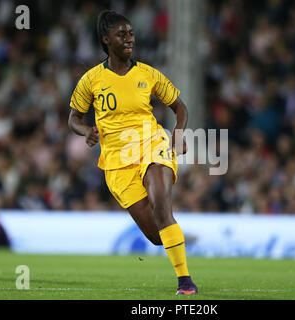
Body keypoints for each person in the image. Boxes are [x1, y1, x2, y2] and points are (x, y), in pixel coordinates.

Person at [68, 10, 197, 295]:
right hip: (116, 161)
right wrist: (85, 130)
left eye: (131, 34)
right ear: (106, 40)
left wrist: (177, 132)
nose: (129, 39)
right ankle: (174, 234)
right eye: (121, 34)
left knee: (161, 205)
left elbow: (180, 107)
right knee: (155, 235)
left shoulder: (148, 74)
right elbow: (73, 118)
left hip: (152, 144)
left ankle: (185, 283)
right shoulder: (91, 80)